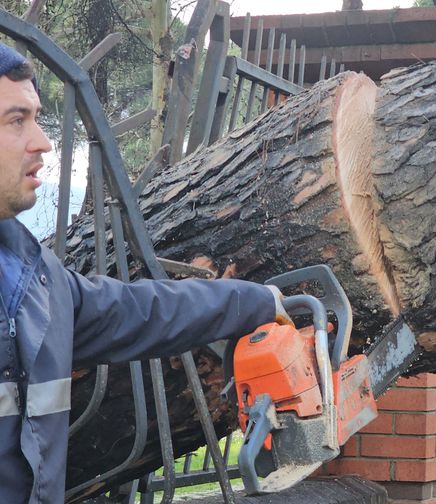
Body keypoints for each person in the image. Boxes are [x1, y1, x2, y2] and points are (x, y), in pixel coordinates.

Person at [0, 43, 288, 502]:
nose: (43, 140)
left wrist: (252, 301)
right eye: (17, 120)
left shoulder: (37, 278)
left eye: (37, 117)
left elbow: (138, 311)